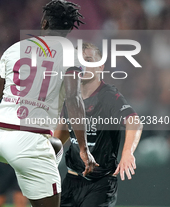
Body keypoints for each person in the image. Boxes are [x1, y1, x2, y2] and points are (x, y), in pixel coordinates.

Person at [0, 0, 98, 207]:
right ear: (69, 30)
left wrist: (4, 123)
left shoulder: (14, 48)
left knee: (55, 146)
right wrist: (83, 147)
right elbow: (73, 100)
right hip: (28, 141)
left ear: (44, 23)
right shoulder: (70, 55)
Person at [55, 42, 143, 207]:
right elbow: (66, 129)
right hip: (71, 180)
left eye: (89, 60)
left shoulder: (109, 96)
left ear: (100, 66)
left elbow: (134, 122)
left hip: (100, 185)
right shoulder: (70, 97)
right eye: (79, 60)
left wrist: (127, 153)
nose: (83, 65)